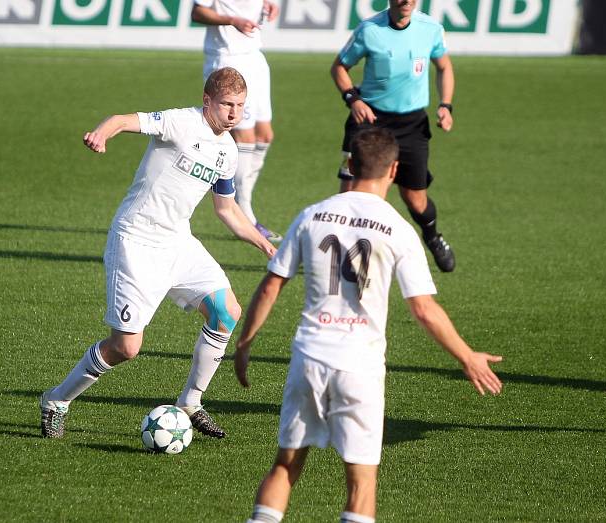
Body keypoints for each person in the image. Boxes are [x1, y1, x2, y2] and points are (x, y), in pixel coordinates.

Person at [234, 128, 503, 523]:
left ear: (349, 164)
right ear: (394, 170)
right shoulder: (398, 230)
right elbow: (425, 310)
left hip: (310, 356)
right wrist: (466, 356)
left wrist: (244, 345)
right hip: (359, 365)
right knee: (361, 484)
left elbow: (272, 284)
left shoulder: (312, 215)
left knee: (285, 467)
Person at [39, 67, 277, 440]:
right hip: (136, 240)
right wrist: (102, 133)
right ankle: (56, 401)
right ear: (207, 100)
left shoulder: (228, 151)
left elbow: (227, 210)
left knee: (226, 311)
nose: (235, 114)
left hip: (178, 242)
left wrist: (265, 245)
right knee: (126, 347)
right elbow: (122, 119)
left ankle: (190, 403)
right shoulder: (180, 122)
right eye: (227, 105)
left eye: (241, 106)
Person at [330, 0, 456, 273]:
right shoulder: (369, 30)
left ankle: (433, 237)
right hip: (370, 121)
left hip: (412, 124)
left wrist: (445, 105)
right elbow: (339, 67)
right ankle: (349, 254)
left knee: (415, 199)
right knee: (351, 191)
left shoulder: (431, 29)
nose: (406, 1)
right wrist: (353, 100)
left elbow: (444, 67)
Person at [192, 0, 283, 242]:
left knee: (265, 135)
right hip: (227, 57)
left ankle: (242, 204)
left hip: (254, 55)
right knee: (245, 136)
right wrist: (233, 20)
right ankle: (245, 216)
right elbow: (198, 11)